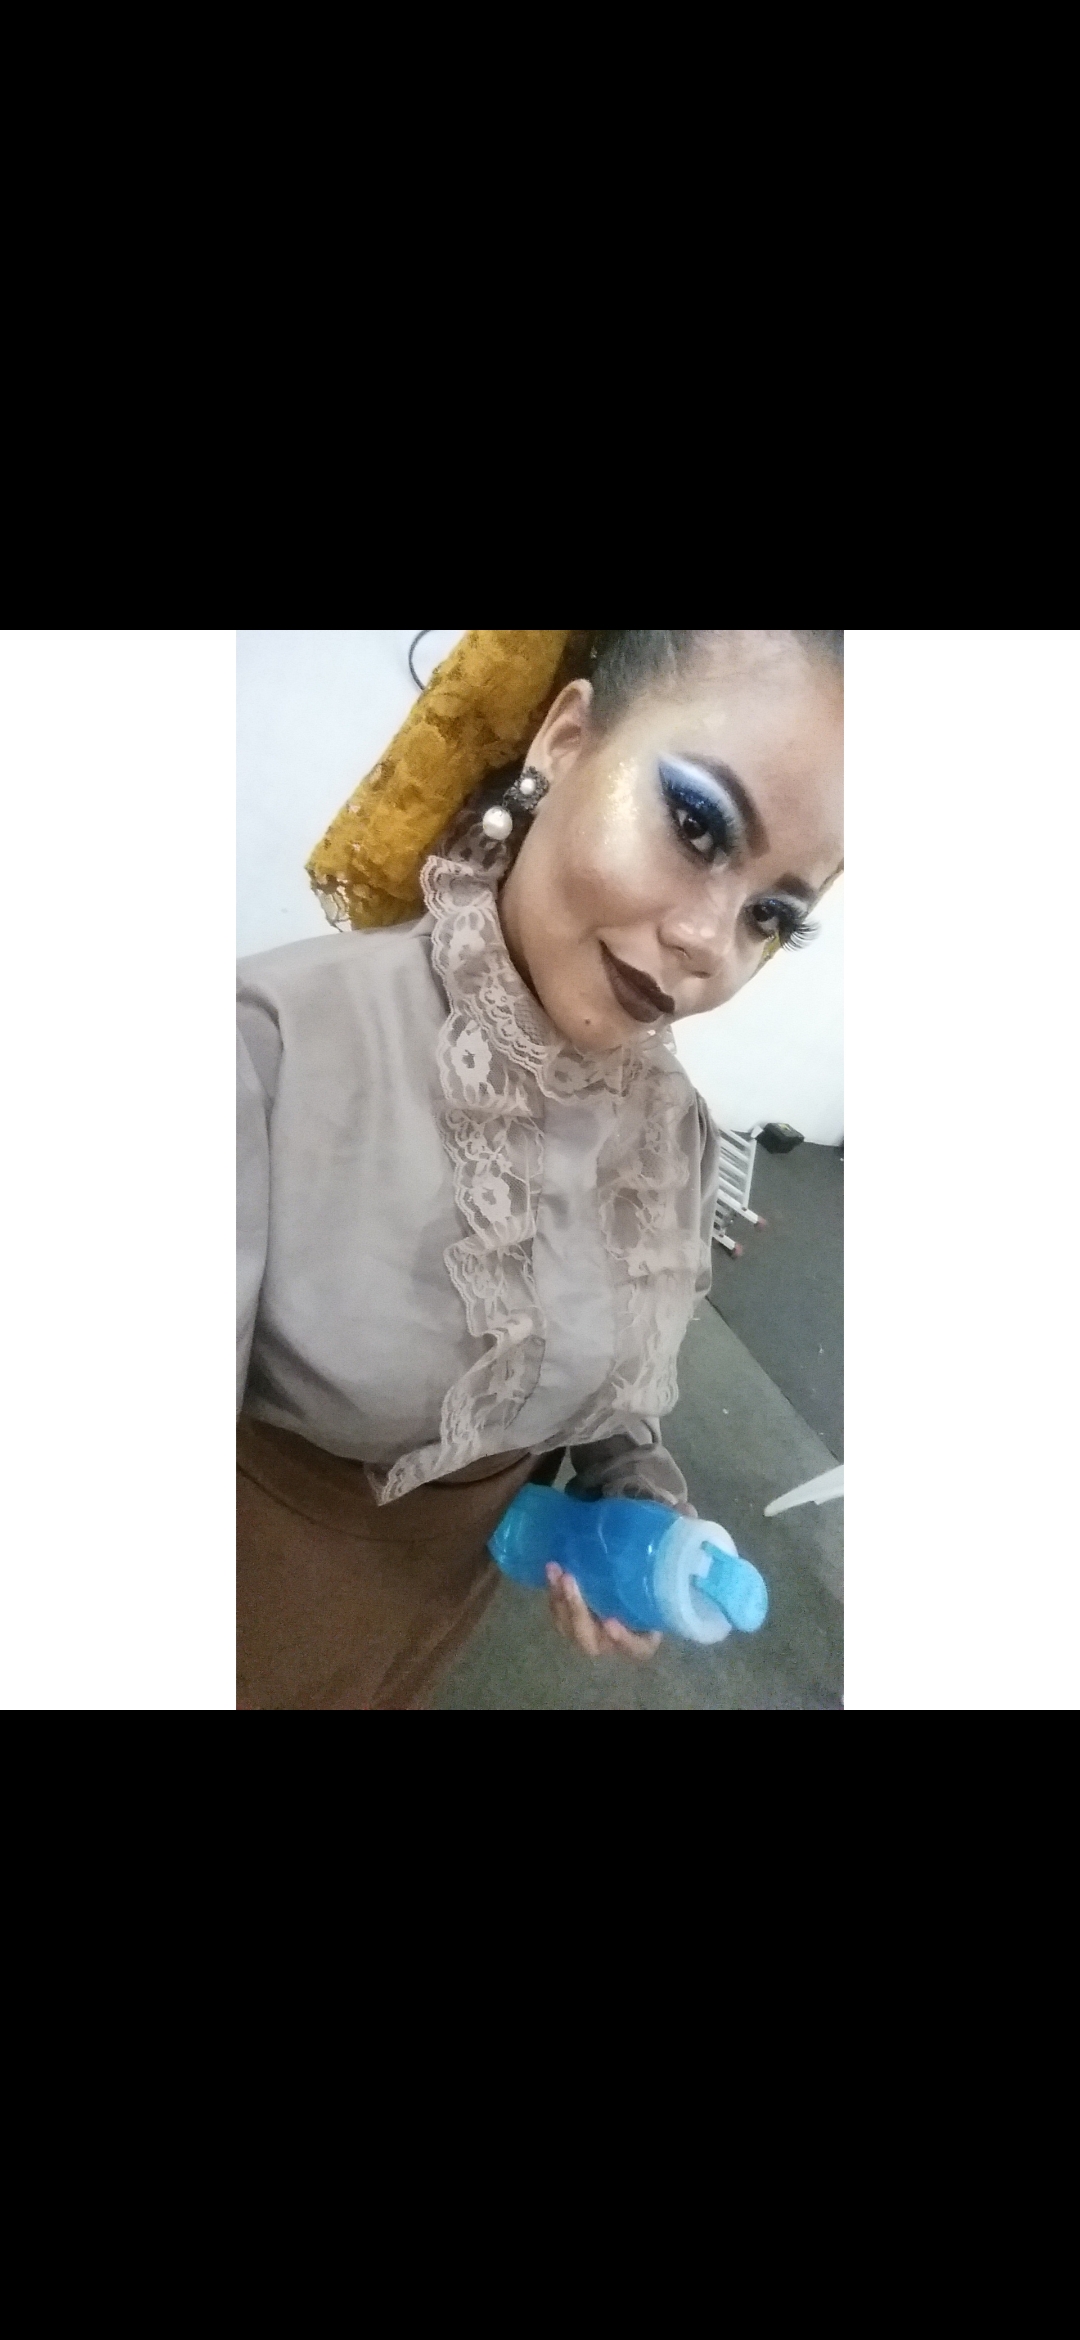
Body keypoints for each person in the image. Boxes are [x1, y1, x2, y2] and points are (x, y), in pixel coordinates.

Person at [237, 629, 844, 1710]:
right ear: (564, 741)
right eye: (697, 824)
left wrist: (633, 1489)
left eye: (773, 916)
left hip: (439, 1602)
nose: (712, 943)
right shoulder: (266, 1052)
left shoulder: (673, 1135)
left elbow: (604, 1376)